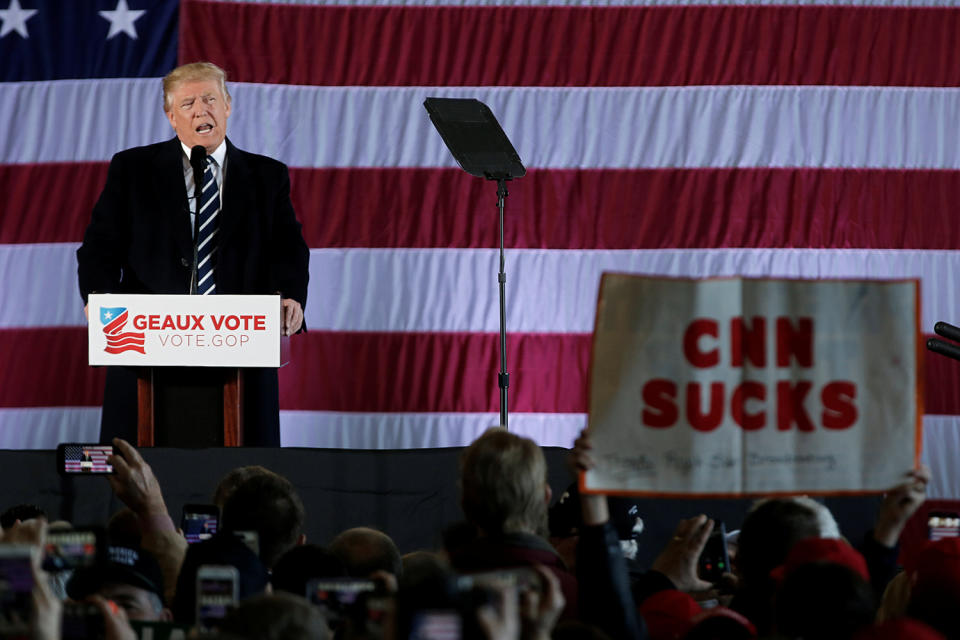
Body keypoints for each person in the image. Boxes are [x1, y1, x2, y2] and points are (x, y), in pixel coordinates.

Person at [76, 61, 310, 447]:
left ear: (228, 106)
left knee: (247, 473)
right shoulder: (133, 169)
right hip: (145, 345)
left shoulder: (267, 175)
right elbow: (100, 245)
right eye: (188, 104)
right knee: (139, 469)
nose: (201, 110)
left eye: (210, 99)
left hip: (240, 350)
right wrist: (98, 298)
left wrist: (290, 296)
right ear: (171, 116)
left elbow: (287, 246)